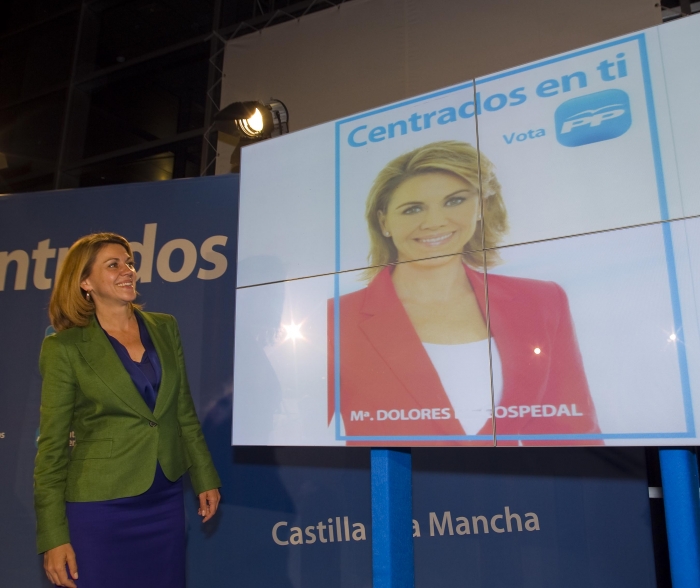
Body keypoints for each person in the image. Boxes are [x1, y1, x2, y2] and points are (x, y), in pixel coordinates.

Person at [328, 141, 601, 446]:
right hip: (391, 478)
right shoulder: (336, 318)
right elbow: (304, 426)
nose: (434, 222)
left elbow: (573, 435)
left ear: (481, 206)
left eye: (454, 201)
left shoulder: (541, 300)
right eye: (413, 209)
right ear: (384, 222)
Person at [34, 233, 221, 587]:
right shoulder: (64, 347)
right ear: (85, 282)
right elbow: (52, 448)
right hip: (99, 508)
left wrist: (204, 476)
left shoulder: (165, 327)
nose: (128, 271)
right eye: (113, 264)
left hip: (164, 499)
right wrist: (53, 536)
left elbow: (183, 411)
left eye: (130, 263)